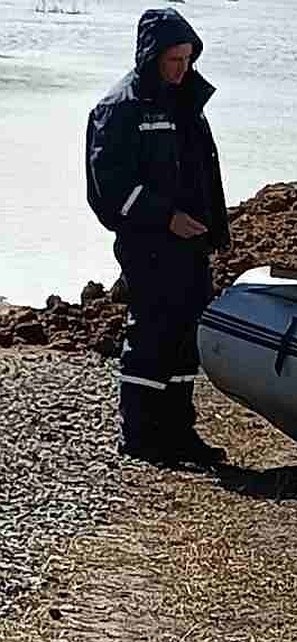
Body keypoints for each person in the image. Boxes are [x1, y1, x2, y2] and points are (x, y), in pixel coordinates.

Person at [85, 8, 230, 467]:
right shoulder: (119, 107)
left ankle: (177, 430)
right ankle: (140, 433)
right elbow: (107, 188)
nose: (183, 69)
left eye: (188, 59)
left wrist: (215, 228)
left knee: (188, 334)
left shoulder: (185, 100)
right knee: (152, 331)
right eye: (174, 60)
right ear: (151, 57)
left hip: (191, 242)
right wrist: (164, 217)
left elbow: (203, 171)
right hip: (148, 242)